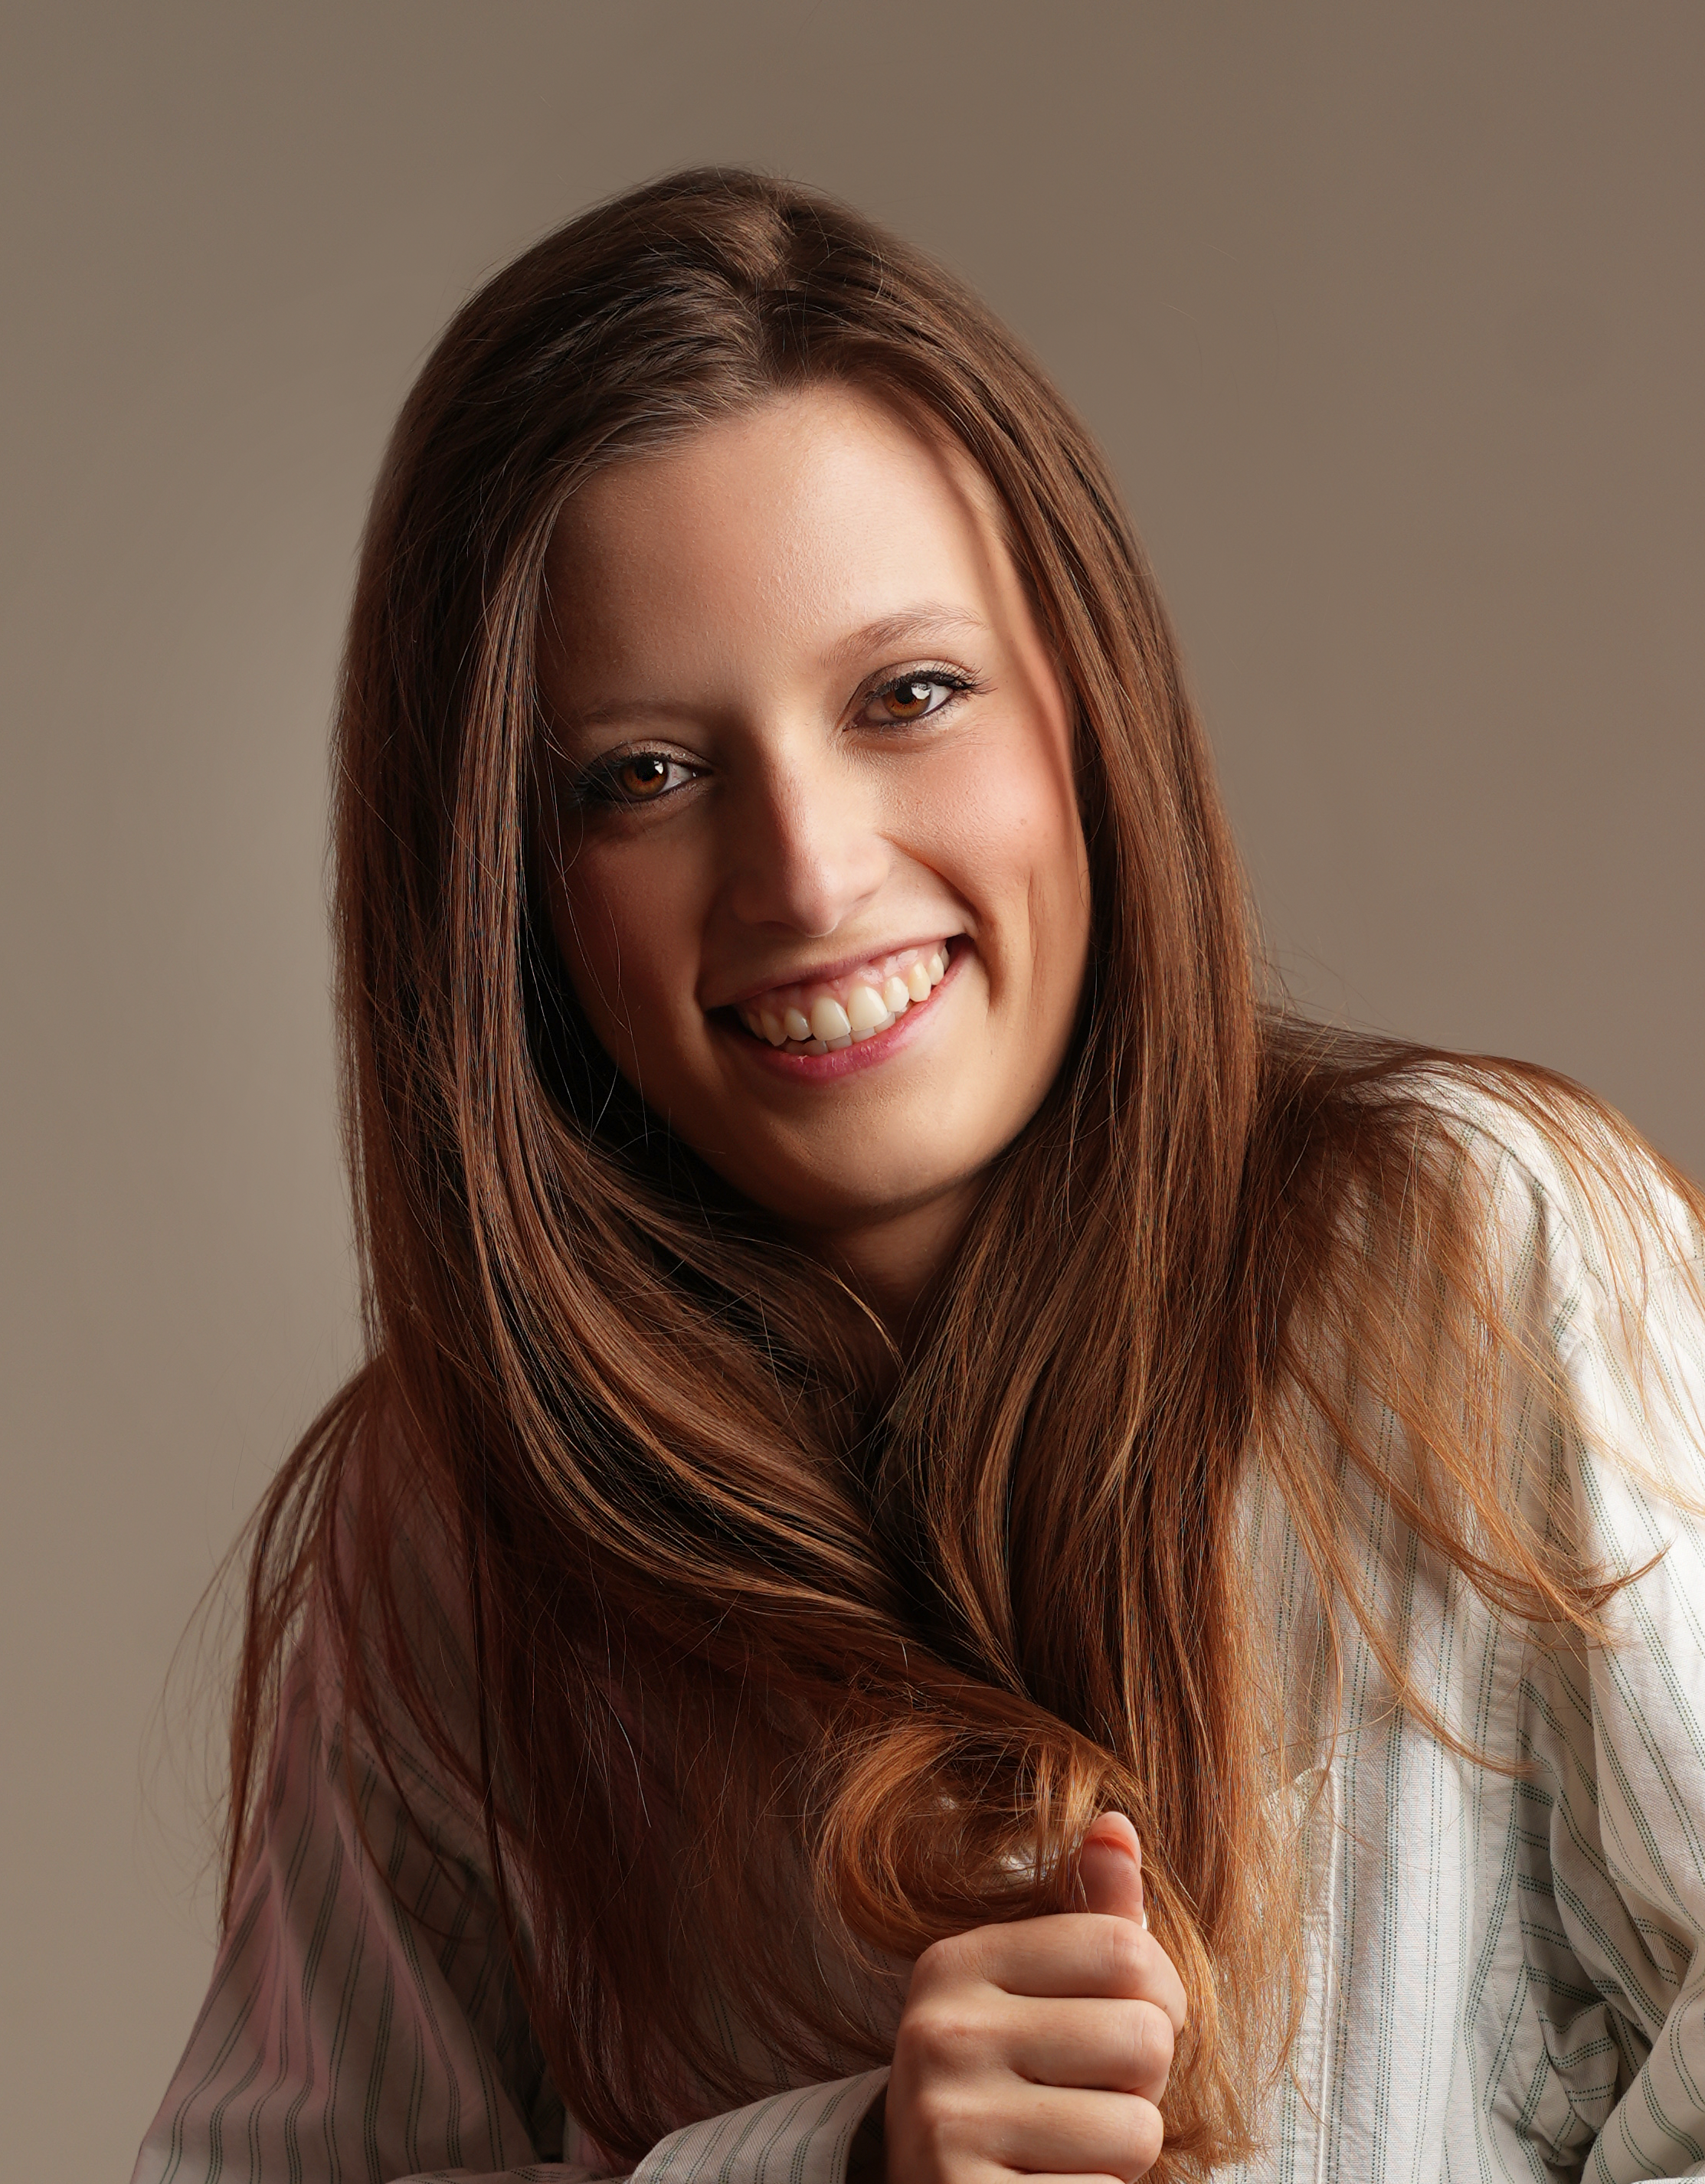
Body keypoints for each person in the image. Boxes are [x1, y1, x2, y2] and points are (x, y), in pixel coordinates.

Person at [133, 168, 1705, 2184]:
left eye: (911, 695)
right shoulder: (449, 1534)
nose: (808, 872)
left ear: (1083, 707)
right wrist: (834, 2166)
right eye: (644, 775)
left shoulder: (1482, 1257)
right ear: (501, 894)